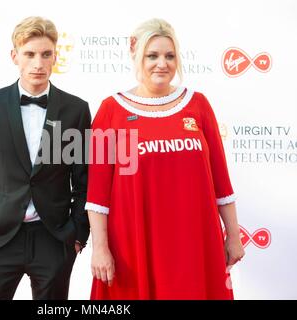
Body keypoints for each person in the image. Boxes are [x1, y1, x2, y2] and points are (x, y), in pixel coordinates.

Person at [85, 18, 245, 299]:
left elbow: (221, 180)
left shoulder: (198, 105)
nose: (162, 63)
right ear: (137, 57)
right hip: (134, 246)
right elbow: (97, 194)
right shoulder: (111, 110)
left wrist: (232, 234)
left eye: (169, 56)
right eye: (153, 55)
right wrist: (100, 247)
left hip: (195, 242)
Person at [0, 16, 91, 300]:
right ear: (14, 56)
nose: (38, 63)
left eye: (46, 54)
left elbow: (84, 181)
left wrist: (77, 234)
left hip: (52, 238)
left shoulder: (76, 110)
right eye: (29, 54)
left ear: (56, 56)